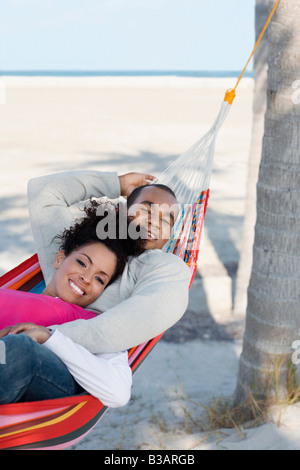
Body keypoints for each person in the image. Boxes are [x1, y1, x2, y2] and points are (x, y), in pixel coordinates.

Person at [0, 205, 145, 407]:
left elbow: (118, 393)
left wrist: (50, 337)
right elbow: (46, 193)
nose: (86, 278)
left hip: (36, 371)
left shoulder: (93, 323)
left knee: (19, 347)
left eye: (99, 279)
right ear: (60, 258)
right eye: (83, 263)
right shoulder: (13, 294)